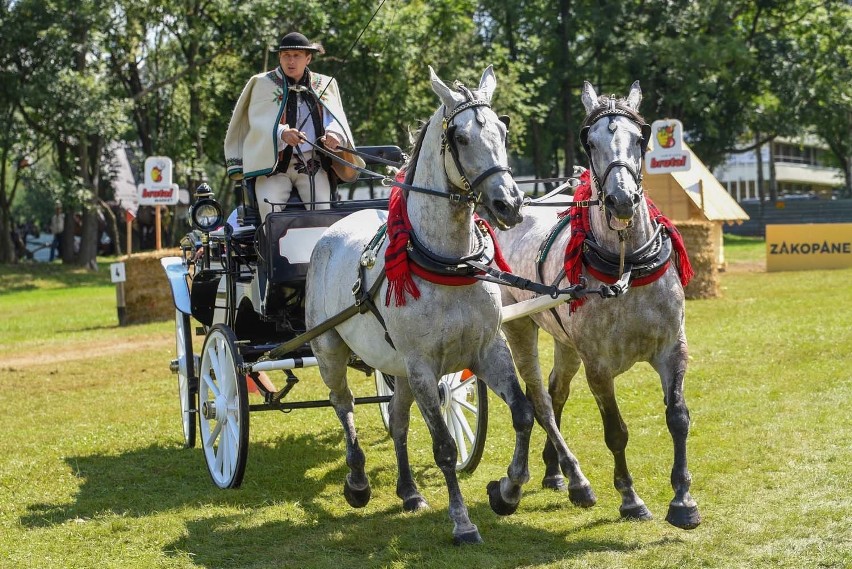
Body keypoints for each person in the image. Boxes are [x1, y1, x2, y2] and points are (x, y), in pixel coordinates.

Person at [224, 31, 365, 219]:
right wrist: (282, 133)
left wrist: (334, 135)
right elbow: (256, 122)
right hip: (273, 167)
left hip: (311, 164)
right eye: (286, 56)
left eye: (296, 56)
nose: (291, 61)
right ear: (280, 58)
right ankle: (271, 248)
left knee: (323, 213)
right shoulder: (262, 83)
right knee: (269, 213)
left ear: (308, 58)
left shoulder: (324, 84)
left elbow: (335, 118)